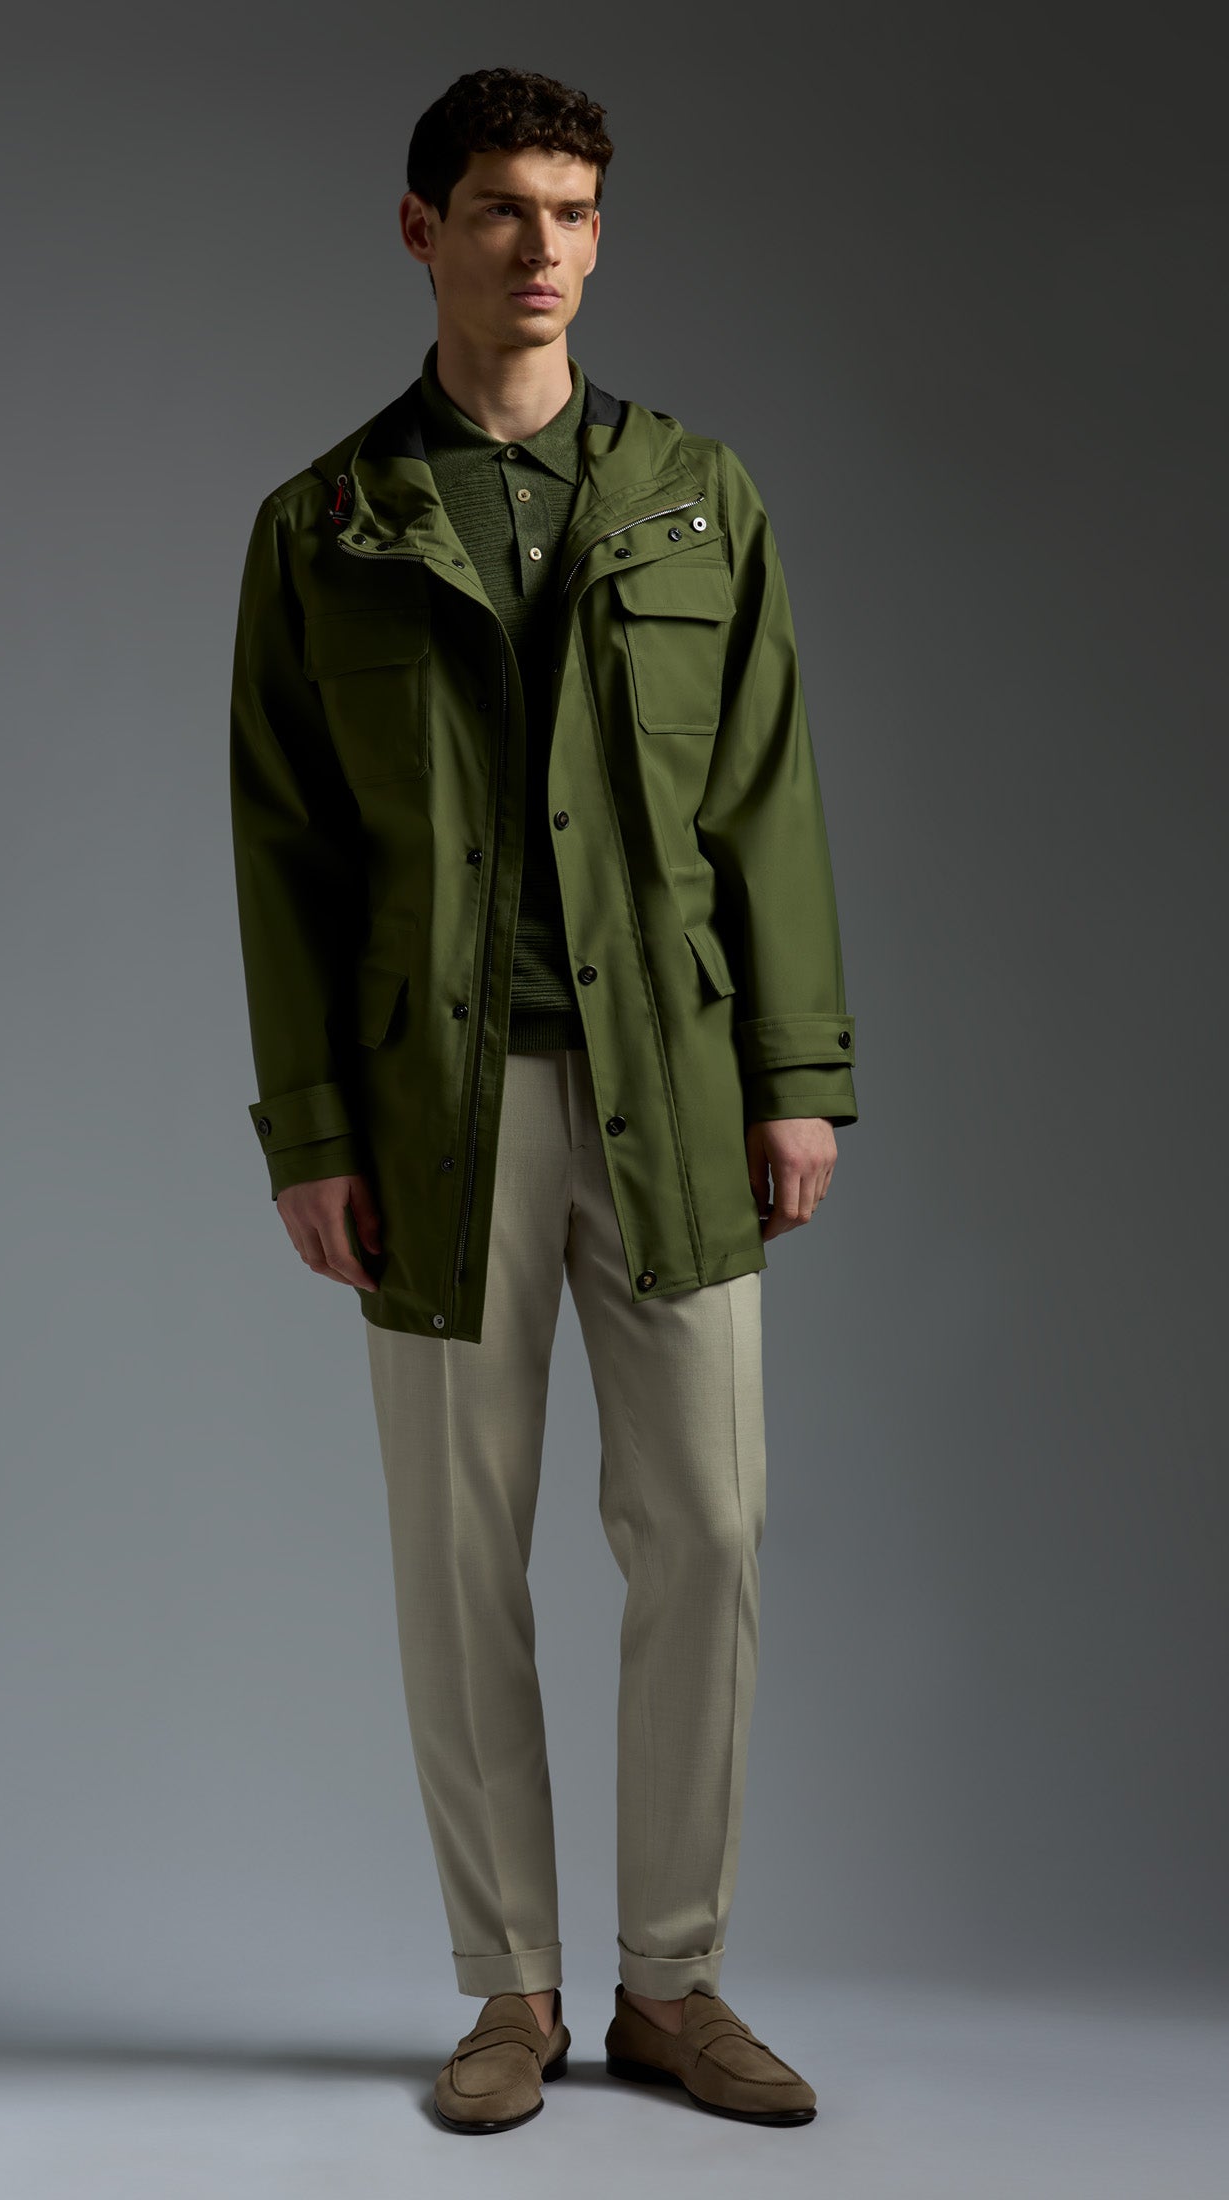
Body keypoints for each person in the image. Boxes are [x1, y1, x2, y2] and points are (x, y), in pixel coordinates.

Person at [228, 65, 858, 2136]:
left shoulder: (698, 496)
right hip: (432, 1114)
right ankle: (507, 1986)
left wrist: (796, 1076)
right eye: (503, 207)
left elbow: (764, 801)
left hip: (674, 1085)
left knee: (711, 1525)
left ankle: (673, 1984)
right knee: (456, 1548)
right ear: (420, 228)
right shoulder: (324, 527)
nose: (543, 247)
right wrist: (311, 1128)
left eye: (575, 211)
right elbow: (285, 855)